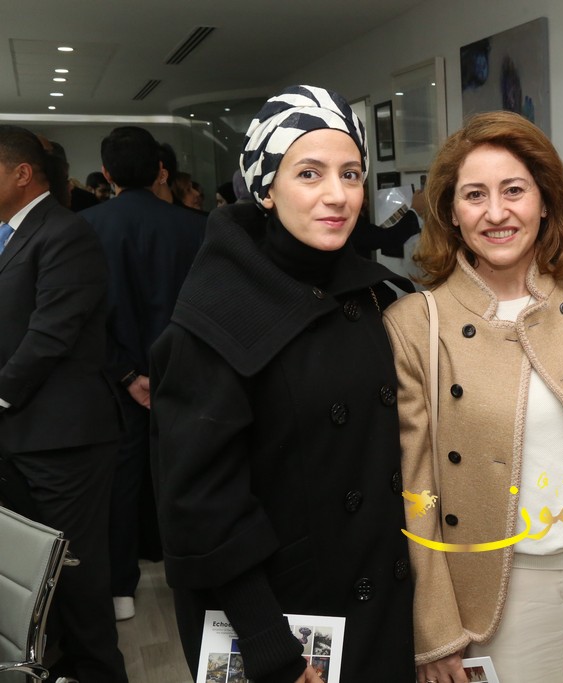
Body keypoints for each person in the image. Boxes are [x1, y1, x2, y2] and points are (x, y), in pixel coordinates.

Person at [149, 85, 415, 683]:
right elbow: (201, 505)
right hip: (288, 617)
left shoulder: (371, 293)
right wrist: (269, 644)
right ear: (266, 188)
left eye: (351, 174)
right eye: (309, 173)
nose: (337, 195)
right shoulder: (215, 317)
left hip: (380, 595)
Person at [383, 111, 563, 683]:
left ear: (545, 200)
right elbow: (416, 492)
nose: (496, 212)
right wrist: (435, 630)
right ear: (451, 212)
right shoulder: (415, 324)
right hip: (497, 593)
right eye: (474, 195)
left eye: (514, 190)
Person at [0, 124, 128, 683]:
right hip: (20, 435)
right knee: (33, 575)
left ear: (21, 173)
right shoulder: (10, 234)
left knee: (75, 574)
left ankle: (100, 673)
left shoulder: (64, 233)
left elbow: (51, 334)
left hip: (64, 439)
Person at [81, 125, 206, 621]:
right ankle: (198, 577)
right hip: (188, 374)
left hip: (117, 379)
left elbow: (85, 317)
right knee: (192, 472)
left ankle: (120, 588)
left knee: (123, 479)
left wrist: (129, 375)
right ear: (160, 169)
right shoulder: (195, 226)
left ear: (106, 173)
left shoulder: (86, 227)